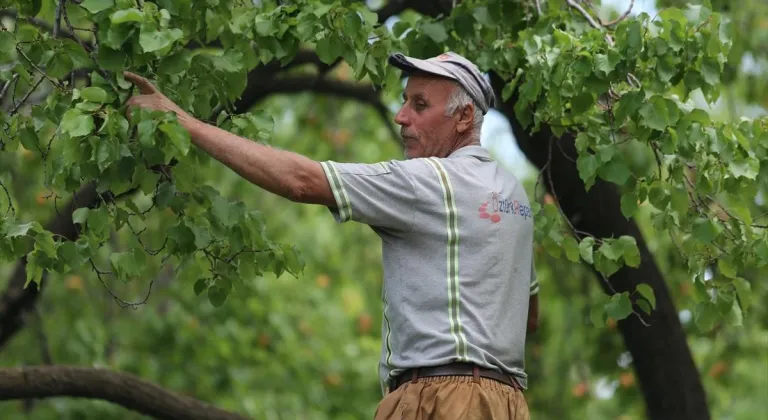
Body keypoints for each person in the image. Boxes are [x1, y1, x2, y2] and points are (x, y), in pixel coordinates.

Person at [124, 50, 539, 420]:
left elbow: (300, 181)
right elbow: (528, 315)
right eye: (404, 100)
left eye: (420, 104)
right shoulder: (513, 197)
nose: (401, 116)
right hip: (508, 403)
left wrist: (181, 121)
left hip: (440, 398)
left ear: (464, 117)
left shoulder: (429, 180)